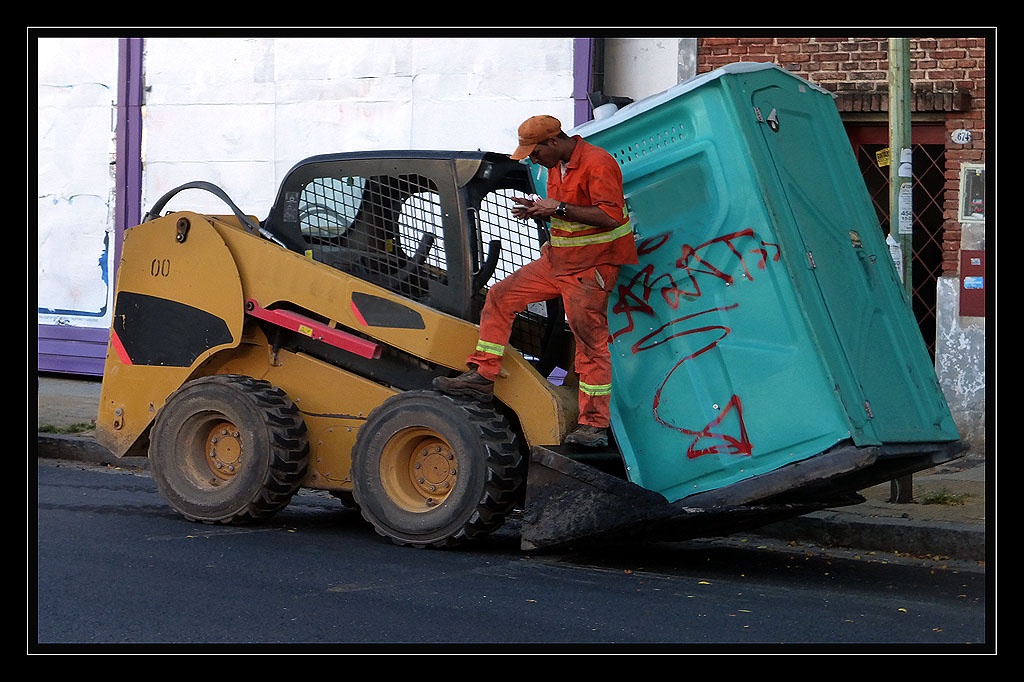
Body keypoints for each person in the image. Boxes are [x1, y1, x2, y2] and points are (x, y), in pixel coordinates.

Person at [433, 114, 638, 447]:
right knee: (499, 295)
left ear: (554, 142)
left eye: (534, 151)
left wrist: (557, 210)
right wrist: (538, 209)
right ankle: (483, 375)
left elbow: (610, 215)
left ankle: (594, 426)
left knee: (590, 347)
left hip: (590, 271)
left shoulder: (598, 163)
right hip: (558, 262)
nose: (532, 158)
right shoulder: (557, 164)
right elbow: (568, 212)